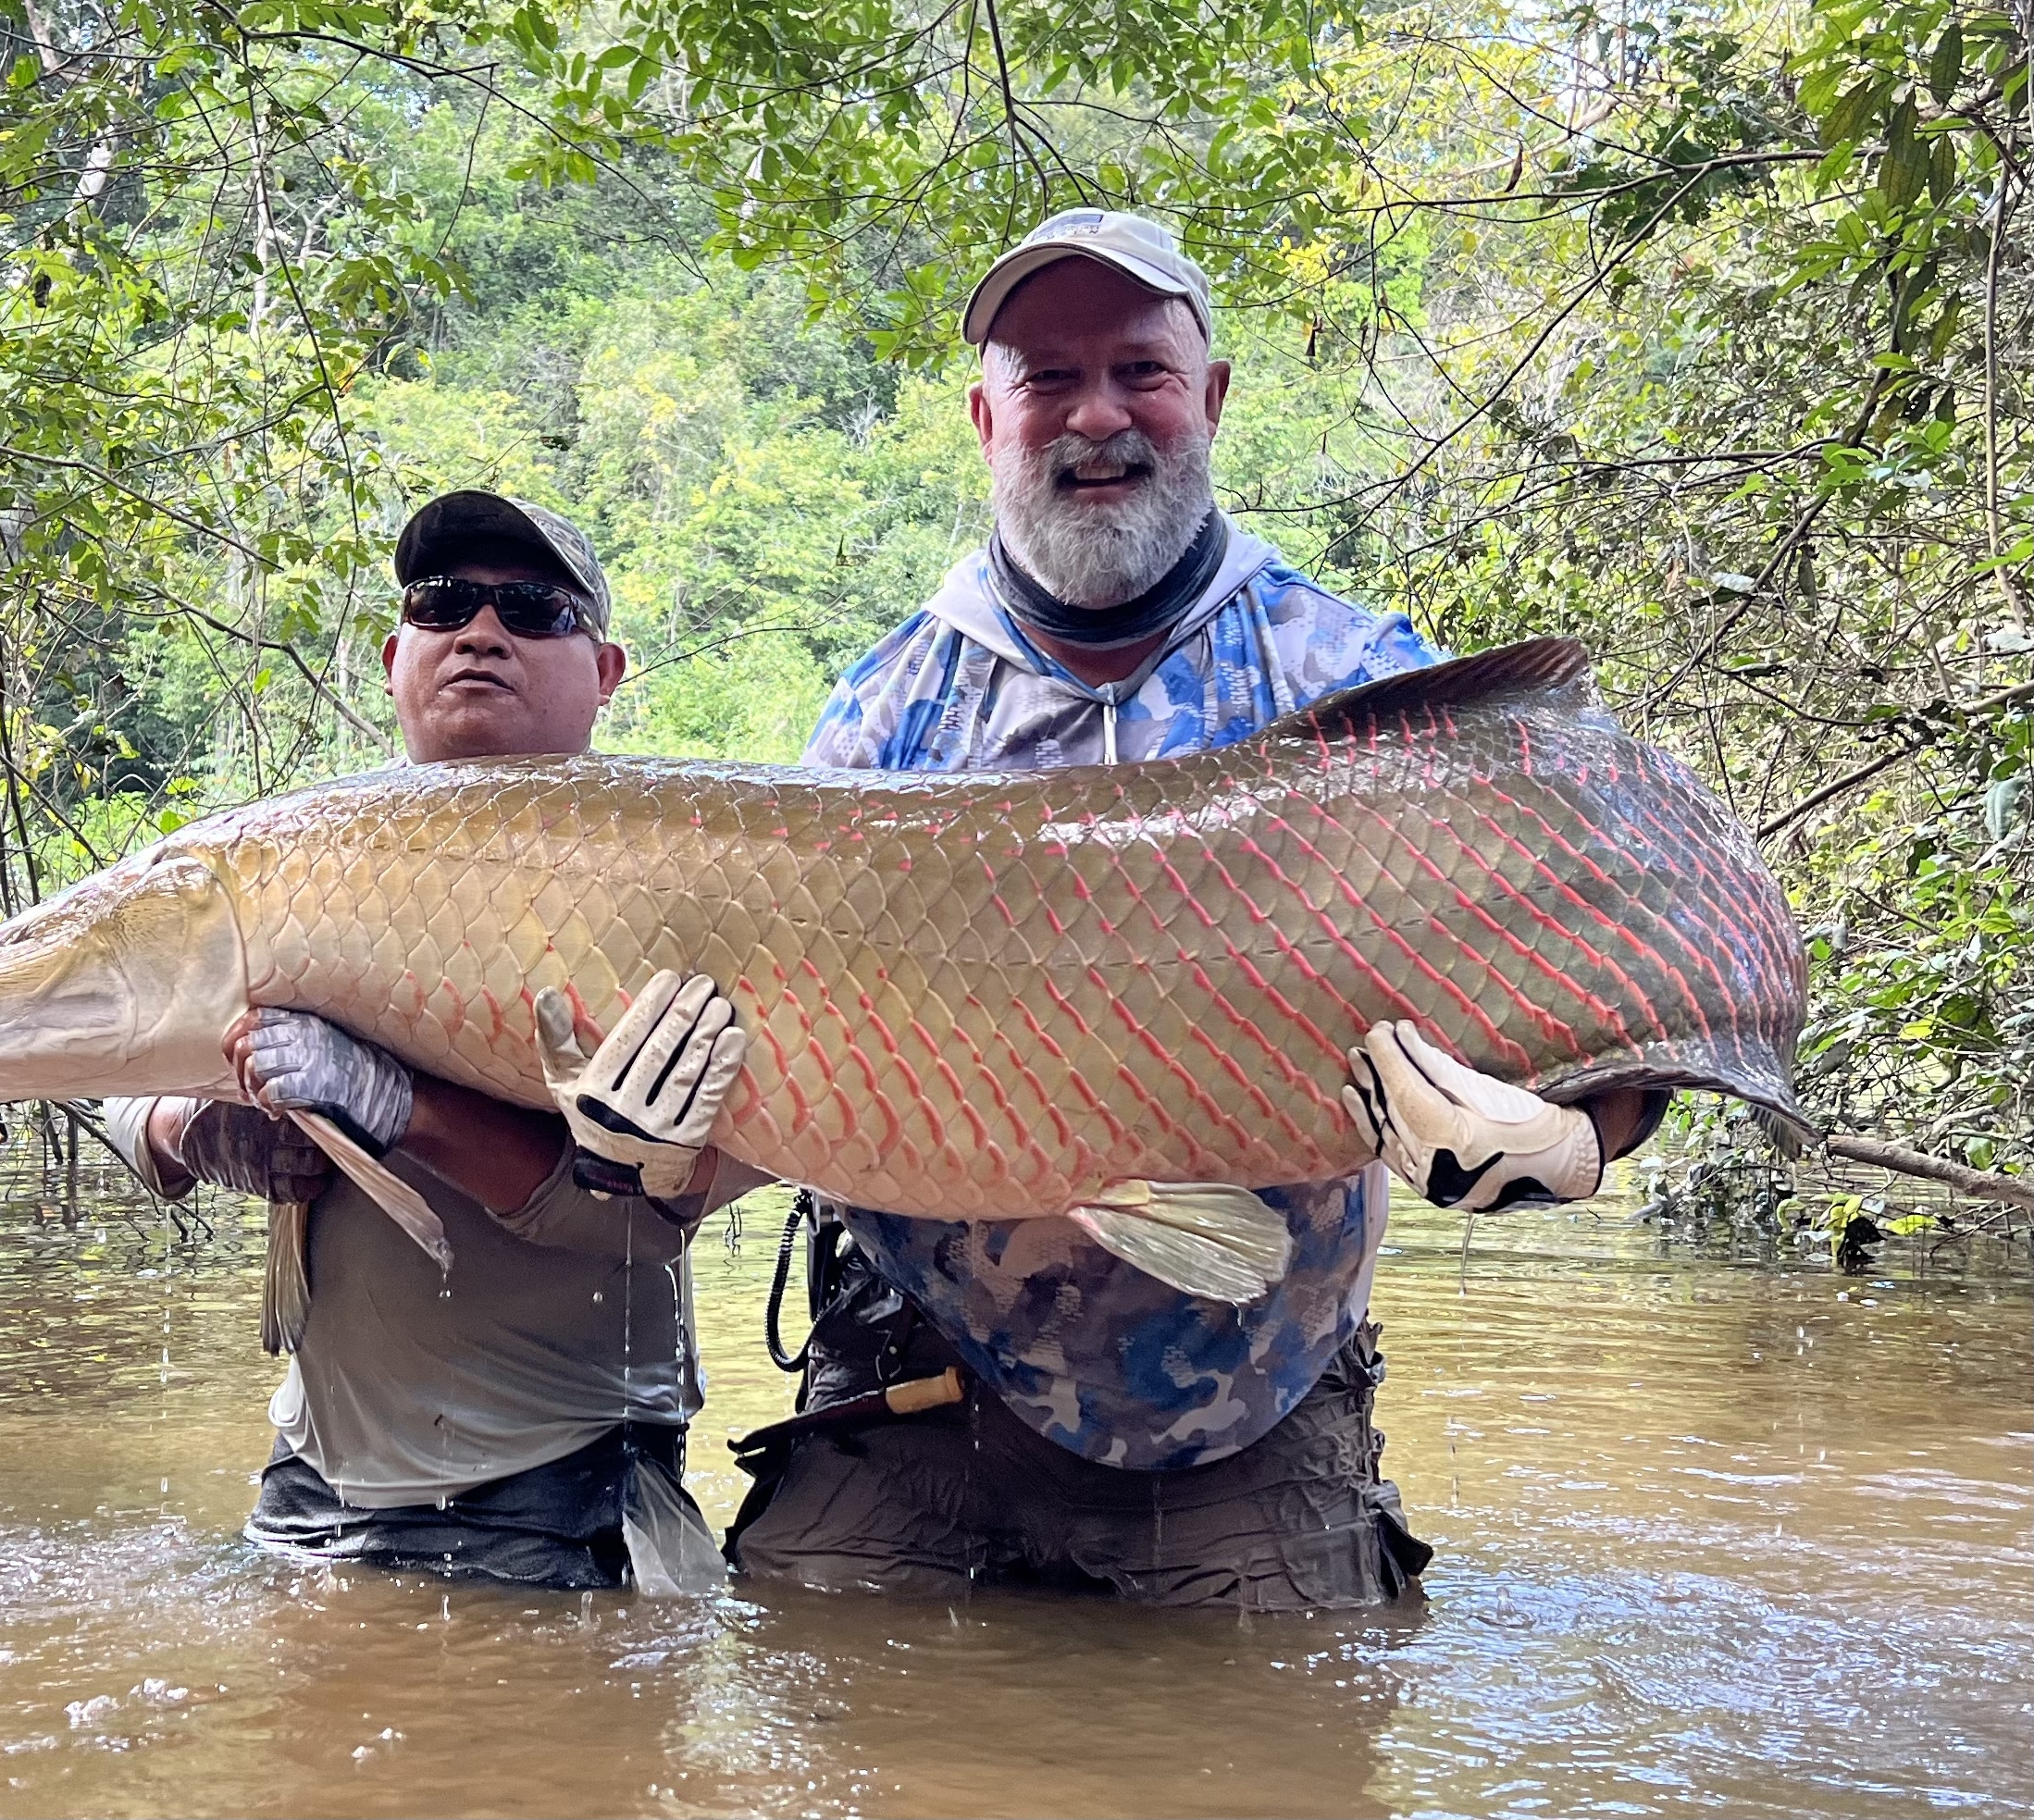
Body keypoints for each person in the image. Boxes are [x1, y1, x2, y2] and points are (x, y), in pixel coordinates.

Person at [726, 211, 1668, 1609]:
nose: (1095, 414)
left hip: (1257, 1396)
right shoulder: (880, 717)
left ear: (1209, 397)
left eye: (1138, 369)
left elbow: (1619, 959)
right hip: (912, 1384)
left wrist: (1578, 1137)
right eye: (1047, 376)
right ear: (986, 416)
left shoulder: (1360, 680)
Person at [105, 490, 760, 1590]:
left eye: (533, 610)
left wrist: (401, 1108)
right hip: (308, 1480)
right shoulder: (294, 855)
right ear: (392, 651)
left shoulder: (680, 878)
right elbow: (125, 1074)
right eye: (444, 602)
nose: (481, 632)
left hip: (563, 1498)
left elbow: (649, 1223)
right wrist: (200, 1131)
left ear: (605, 672)